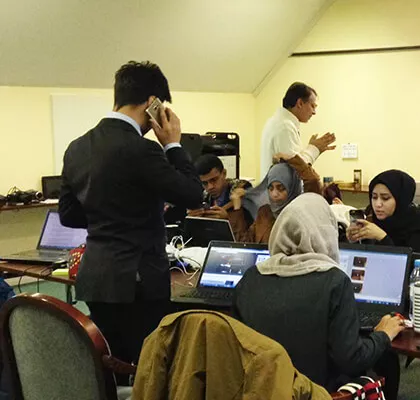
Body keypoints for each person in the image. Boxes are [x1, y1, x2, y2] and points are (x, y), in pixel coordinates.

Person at [58, 61, 203, 369]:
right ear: (153, 104)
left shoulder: (77, 147)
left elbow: (69, 214)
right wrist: (174, 144)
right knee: (147, 369)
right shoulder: (143, 150)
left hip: (96, 277)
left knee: (111, 365)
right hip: (138, 282)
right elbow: (193, 194)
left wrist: (113, 215)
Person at [233, 193, 405, 398]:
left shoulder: (251, 277)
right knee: (384, 361)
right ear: (326, 233)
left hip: (259, 389)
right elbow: (351, 359)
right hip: (313, 391)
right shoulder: (334, 282)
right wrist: (383, 334)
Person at [228, 154, 321, 244]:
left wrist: (292, 159)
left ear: (292, 187)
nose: (274, 194)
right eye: (270, 188)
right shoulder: (265, 213)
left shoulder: (302, 213)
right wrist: (237, 208)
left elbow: (313, 182)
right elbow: (244, 244)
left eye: (281, 188)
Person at [347, 170, 420, 254]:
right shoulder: (370, 218)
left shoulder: (419, 228)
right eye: (374, 197)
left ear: (401, 200)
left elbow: (412, 268)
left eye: (385, 198)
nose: (378, 204)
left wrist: (382, 237)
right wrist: (352, 240)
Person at [259, 82, 336, 180]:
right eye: (312, 106)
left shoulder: (276, 121)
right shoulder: (285, 126)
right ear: (300, 103)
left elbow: (292, 161)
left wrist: (312, 149)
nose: (314, 112)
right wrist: (314, 149)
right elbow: (294, 170)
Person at [187, 154, 252, 220]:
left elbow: (251, 226)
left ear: (224, 173)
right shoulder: (203, 197)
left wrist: (228, 218)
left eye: (214, 180)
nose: (210, 187)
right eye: (204, 183)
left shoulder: (242, 188)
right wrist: (191, 219)